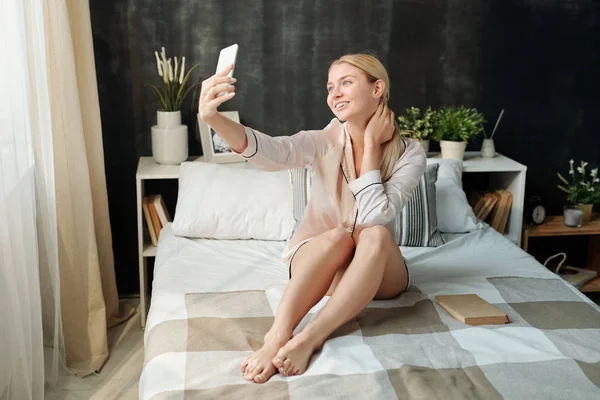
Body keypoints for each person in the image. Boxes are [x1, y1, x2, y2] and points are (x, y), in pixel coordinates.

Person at [197, 54, 426, 384]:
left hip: (377, 272)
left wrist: (372, 148)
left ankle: (311, 337)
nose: (335, 94)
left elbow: (377, 215)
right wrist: (213, 118)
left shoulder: (409, 152)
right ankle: (278, 335)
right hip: (320, 261)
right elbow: (274, 152)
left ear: (378, 88)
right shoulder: (324, 141)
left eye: (346, 83)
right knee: (338, 236)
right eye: (330, 87)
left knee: (374, 234)